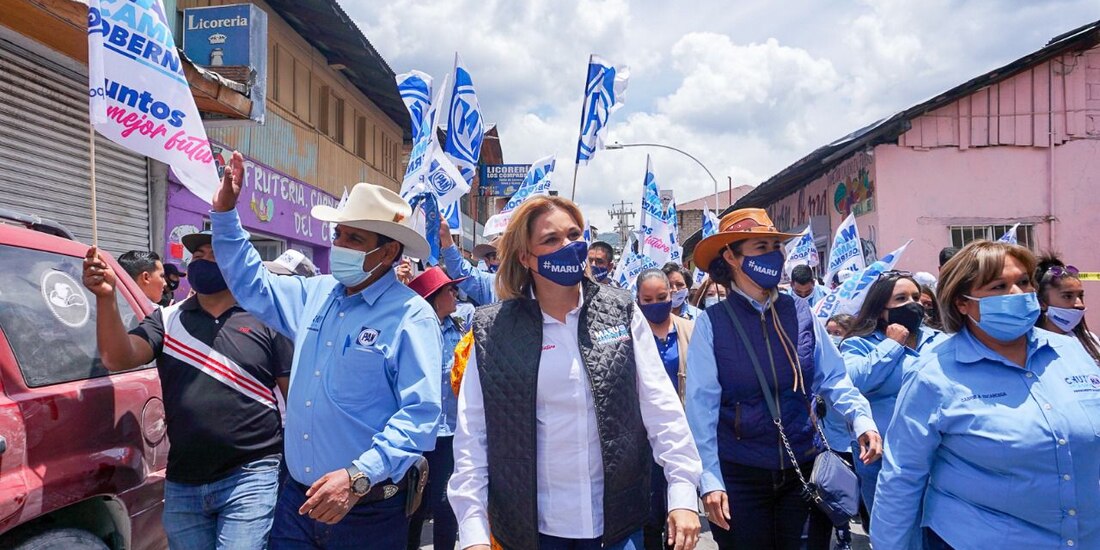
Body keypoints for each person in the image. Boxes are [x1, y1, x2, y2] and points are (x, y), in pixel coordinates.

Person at [210, 152, 443, 549]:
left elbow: (420, 416)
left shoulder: (411, 317)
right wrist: (226, 214)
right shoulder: (315, 293)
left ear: (388, 253)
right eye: (339, 235)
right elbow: (251, 282)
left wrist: (357, 476)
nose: (340, 245)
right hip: (298, 501)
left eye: (355, 239)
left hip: (365, 511)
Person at [448, 195, 703, 550]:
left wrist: (682, 492)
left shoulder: (621, 312)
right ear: (525, 256)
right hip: (532, 531)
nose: (568, 246)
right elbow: (473, 437)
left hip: (614, 526)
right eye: (551, 239)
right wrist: (473, 532)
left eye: (573, 235)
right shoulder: (493, 331)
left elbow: (662, 409)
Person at [872, 240, 1100, 549]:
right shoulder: (933, 375)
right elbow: (902, 479)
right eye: (998, 287)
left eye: (1023, 282)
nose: (1018, 294)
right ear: (962, 303)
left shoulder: (1071, 351)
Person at [685, 208, 881, 550]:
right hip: (740, 477)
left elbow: (834, 378)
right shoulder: (712, 323)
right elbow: (701, 409)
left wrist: (861, 418)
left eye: (776, 247)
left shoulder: (802, 313)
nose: (774, 256)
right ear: (731, 256)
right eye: (761, 247)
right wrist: (710, 479)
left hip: (804, 469)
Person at [83, 232, 292, 549]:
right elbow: (117, 356)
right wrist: (105, 297)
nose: (204, 259)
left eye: (215, 253)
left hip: (251, 474)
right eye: (198, 255)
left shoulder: (269, 321)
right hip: (184, 481)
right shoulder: (167, 320)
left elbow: (295, 397)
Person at [839, 271, 947, 521]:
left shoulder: (939, 340)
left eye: (916, 297)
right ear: (880, 309)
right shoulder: (859, 344)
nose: (913, 304)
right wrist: (892, 345)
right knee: (889, 529)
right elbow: (854, 382)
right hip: (881, 456)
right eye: (901, 299)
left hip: (936, 452)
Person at [406, 267, 468, 550]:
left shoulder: (461, 328)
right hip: (416, 434)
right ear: (433, 297)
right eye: (449, 290)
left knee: (446, 502)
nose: (455, 294)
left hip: (449, 435)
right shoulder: (411, 331)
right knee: (412, 504)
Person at [635, 268, 696, 550]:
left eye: (662, 296)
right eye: (647, 300)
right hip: (643, 440)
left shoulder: (690, 330)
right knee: (648, 514)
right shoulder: (630, 335)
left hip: (680, 434)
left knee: (679, 511)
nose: (655, 303)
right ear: (638, 300)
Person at [1035, 256, 1100, 364]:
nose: (1079, 304)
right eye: (1067, 296)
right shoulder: (1032, 346)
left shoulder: (1090, 341)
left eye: (1080, 296)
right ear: (1042, 303)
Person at [440, 217, 498, 306]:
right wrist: (445, 235)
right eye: (486, 259)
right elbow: (460, 269)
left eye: (495, 256)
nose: (487, 263)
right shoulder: (490, 284)